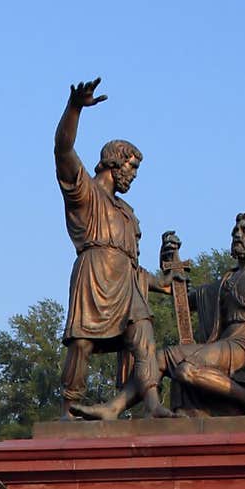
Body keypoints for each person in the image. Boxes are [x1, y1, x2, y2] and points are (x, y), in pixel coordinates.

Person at [75, 211, 245, 418]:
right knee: (159, 358)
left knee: (185, 369)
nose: (237, 234)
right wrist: (169, 264)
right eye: (235, 230)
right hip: (229, 343)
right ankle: (114, 408)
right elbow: (184, 301)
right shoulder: (226, 281)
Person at [55, 77, 175, 420]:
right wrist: (74, 108)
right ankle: (69, 410)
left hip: (127, 282)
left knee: (143, 332)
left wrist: (163, 282)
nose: (134, 175)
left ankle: (151, 403)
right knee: (82, 343)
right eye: (132, 167)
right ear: (113, 163)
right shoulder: (85, 194)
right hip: (94, 273)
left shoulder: (127, 213)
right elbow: (62, 150)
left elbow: (134, 267)